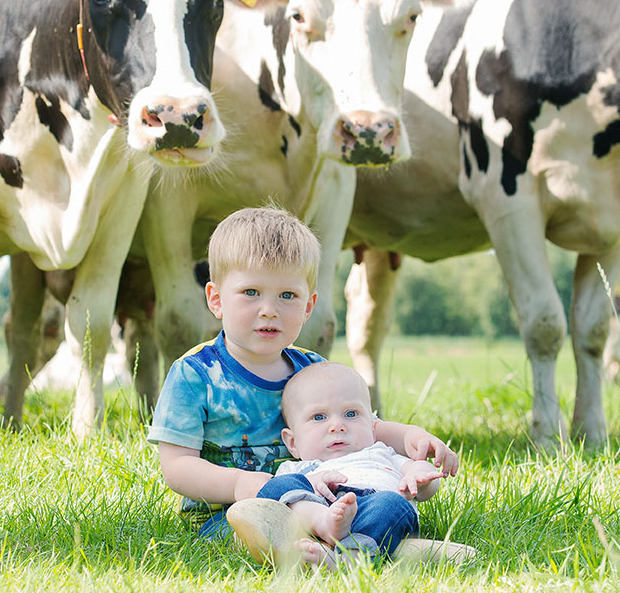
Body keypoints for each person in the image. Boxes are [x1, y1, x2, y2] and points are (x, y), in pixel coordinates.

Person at [147, 207, 457, 543]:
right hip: (230, 513)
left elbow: (362, 425)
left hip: (325, 504)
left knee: (390, 505)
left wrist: (409, 437)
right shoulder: (196, 374)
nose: (269, 309)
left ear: (308, 307)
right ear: (216, 299)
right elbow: (177, 465)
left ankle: (348, 547)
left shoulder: (312, 368)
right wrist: (239, 484)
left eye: (287, 296)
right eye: (251, 292)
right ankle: (355, 548)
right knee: (257, 523)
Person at [250, 361, 445, 568]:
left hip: (372, 510)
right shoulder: (298, 468)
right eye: (319, 417)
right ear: (292, 442)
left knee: (392, 503)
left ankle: (347, 559)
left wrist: (419, 477)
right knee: (277, 487)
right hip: (316, 509)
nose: (337, 426)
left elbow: (423, 480)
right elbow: (279, 498)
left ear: (372, 428)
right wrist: (312, 481)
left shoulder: (379, 453)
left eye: (351, 414)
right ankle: (323, 524)